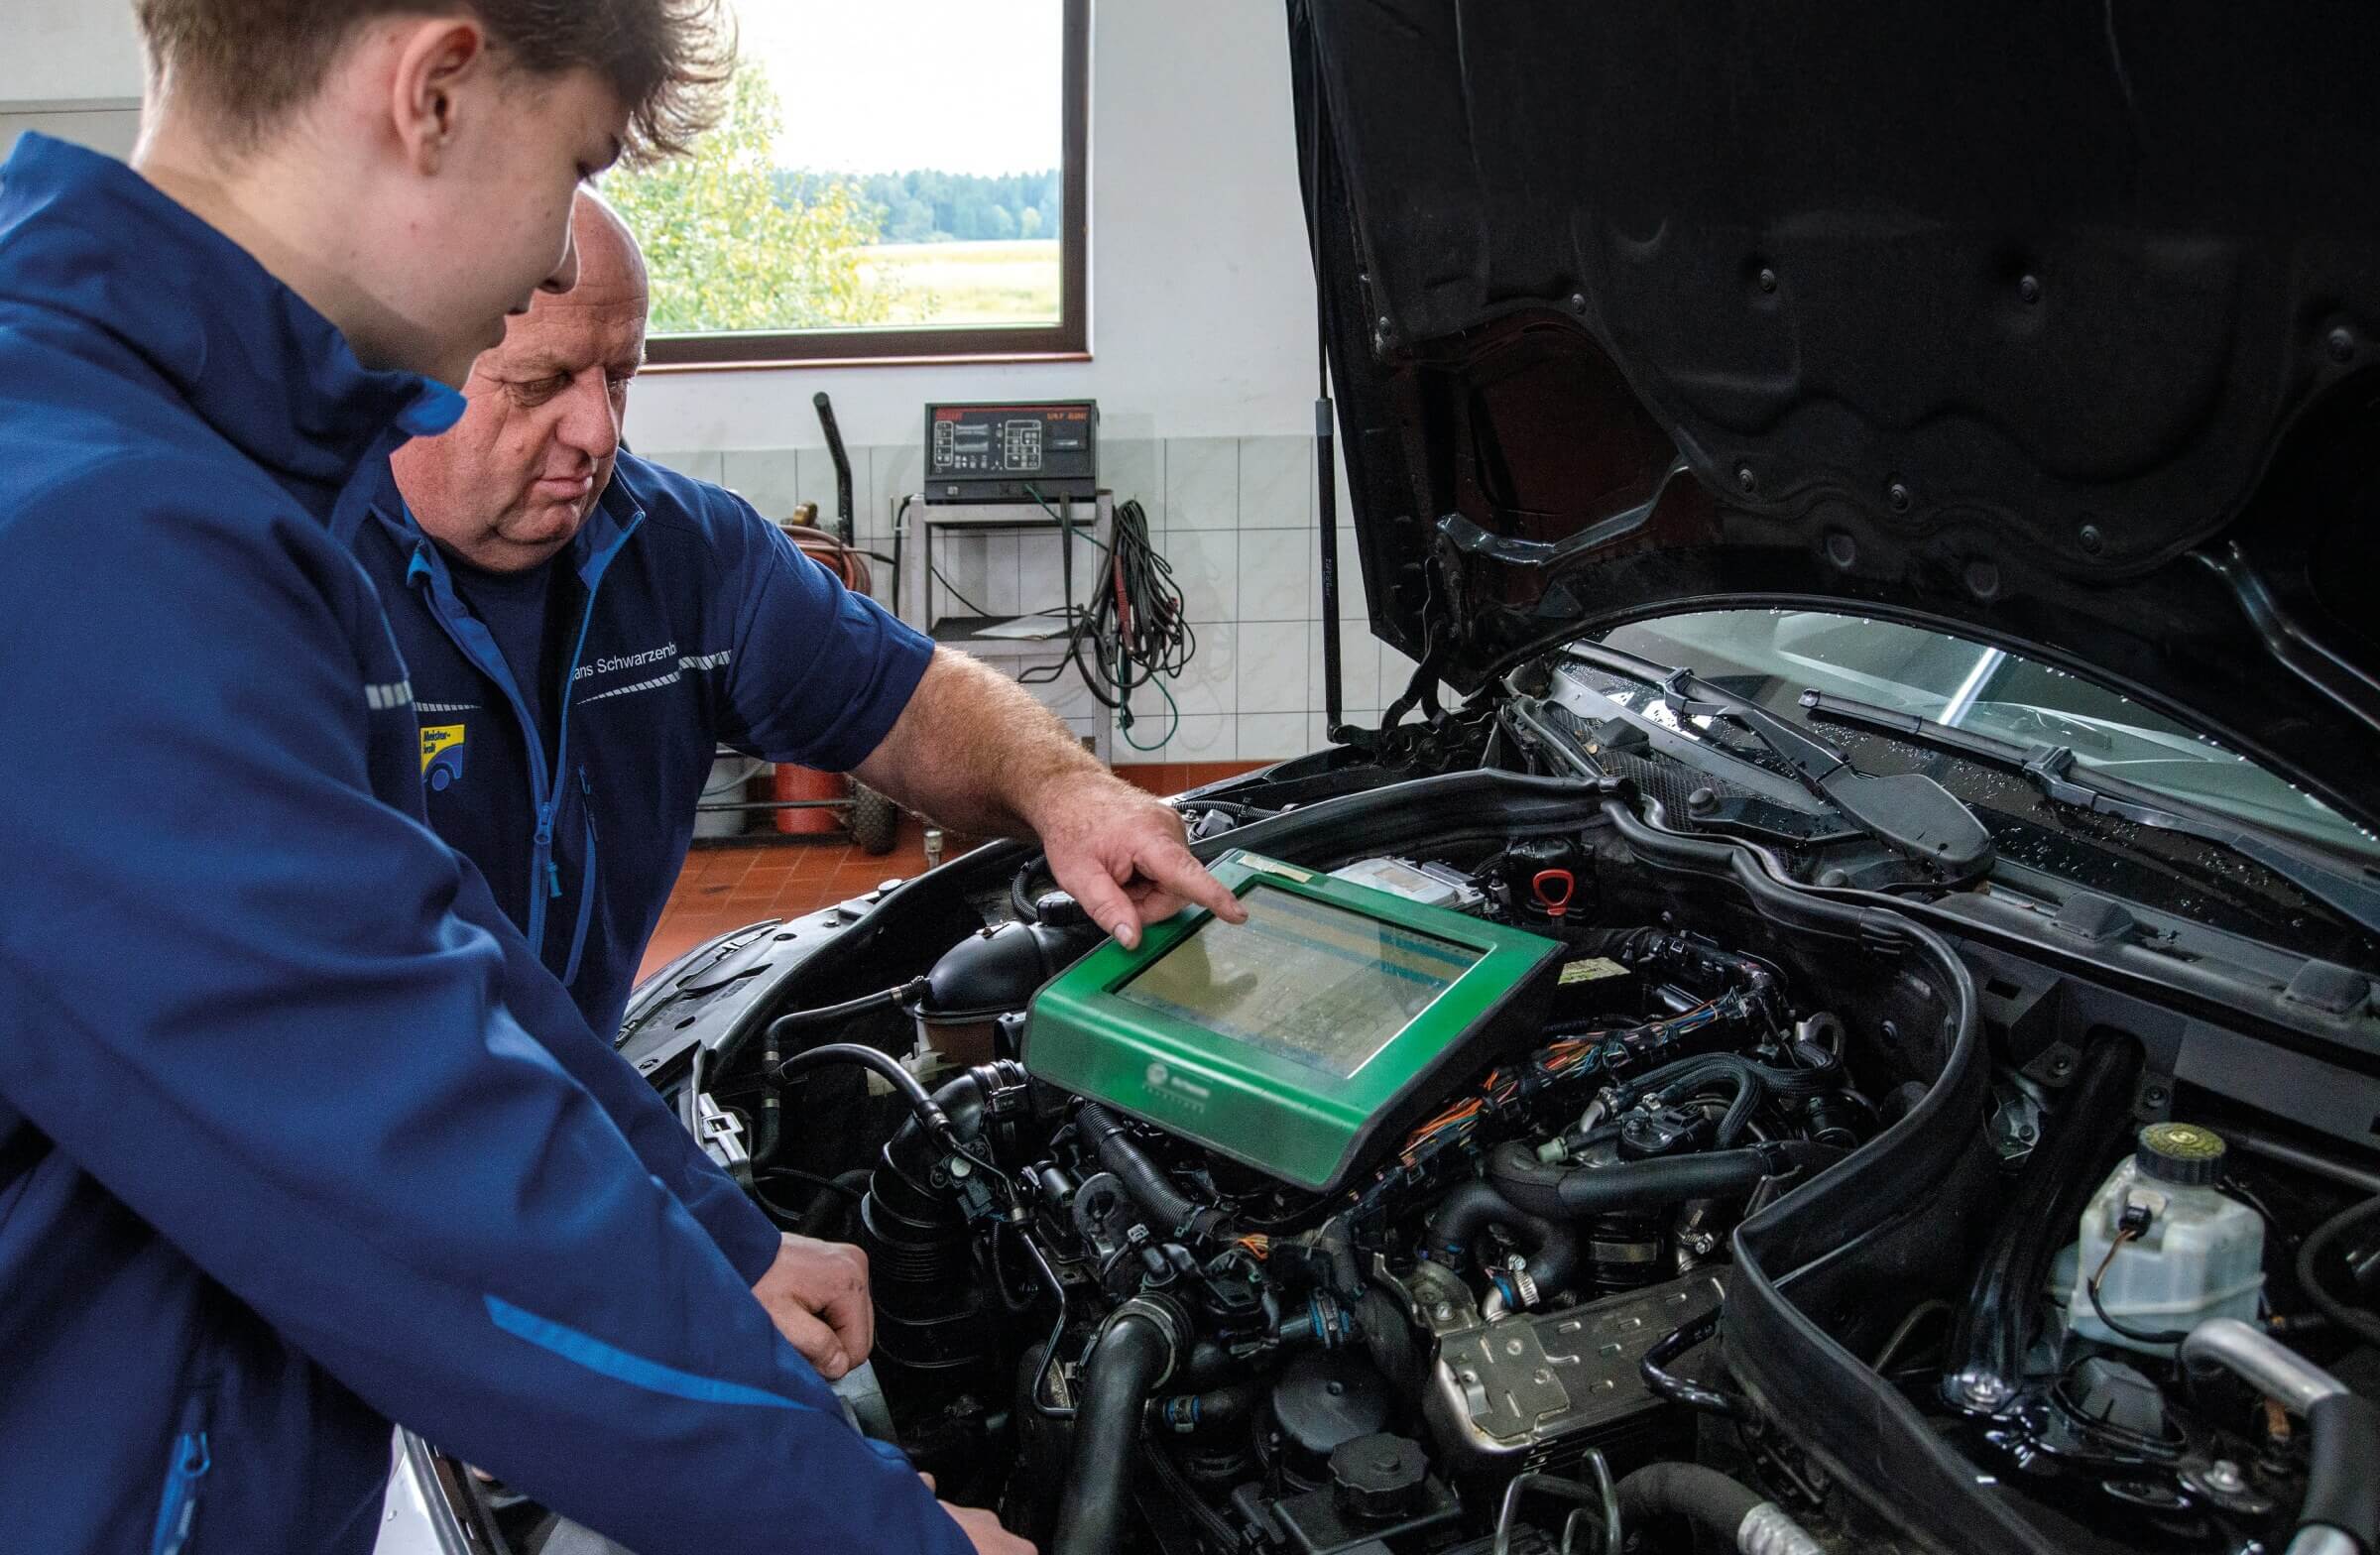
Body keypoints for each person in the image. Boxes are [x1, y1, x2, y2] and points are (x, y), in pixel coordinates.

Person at [0, 3, 1063, 1552]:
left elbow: (436, 954)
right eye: (577, 163)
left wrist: (714, 1235)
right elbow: (413, 1175)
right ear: (435, 91)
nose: (553, 254)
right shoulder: (99, 541)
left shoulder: (181, 473)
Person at [358, 190, 1242, 1052]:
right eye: (540, 383)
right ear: (408, 364)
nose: (598, 431)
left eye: (618, 377)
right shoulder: (303, 580)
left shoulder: (686, 552)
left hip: (567, 1082)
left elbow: (911, 702)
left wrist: (1069, 792)